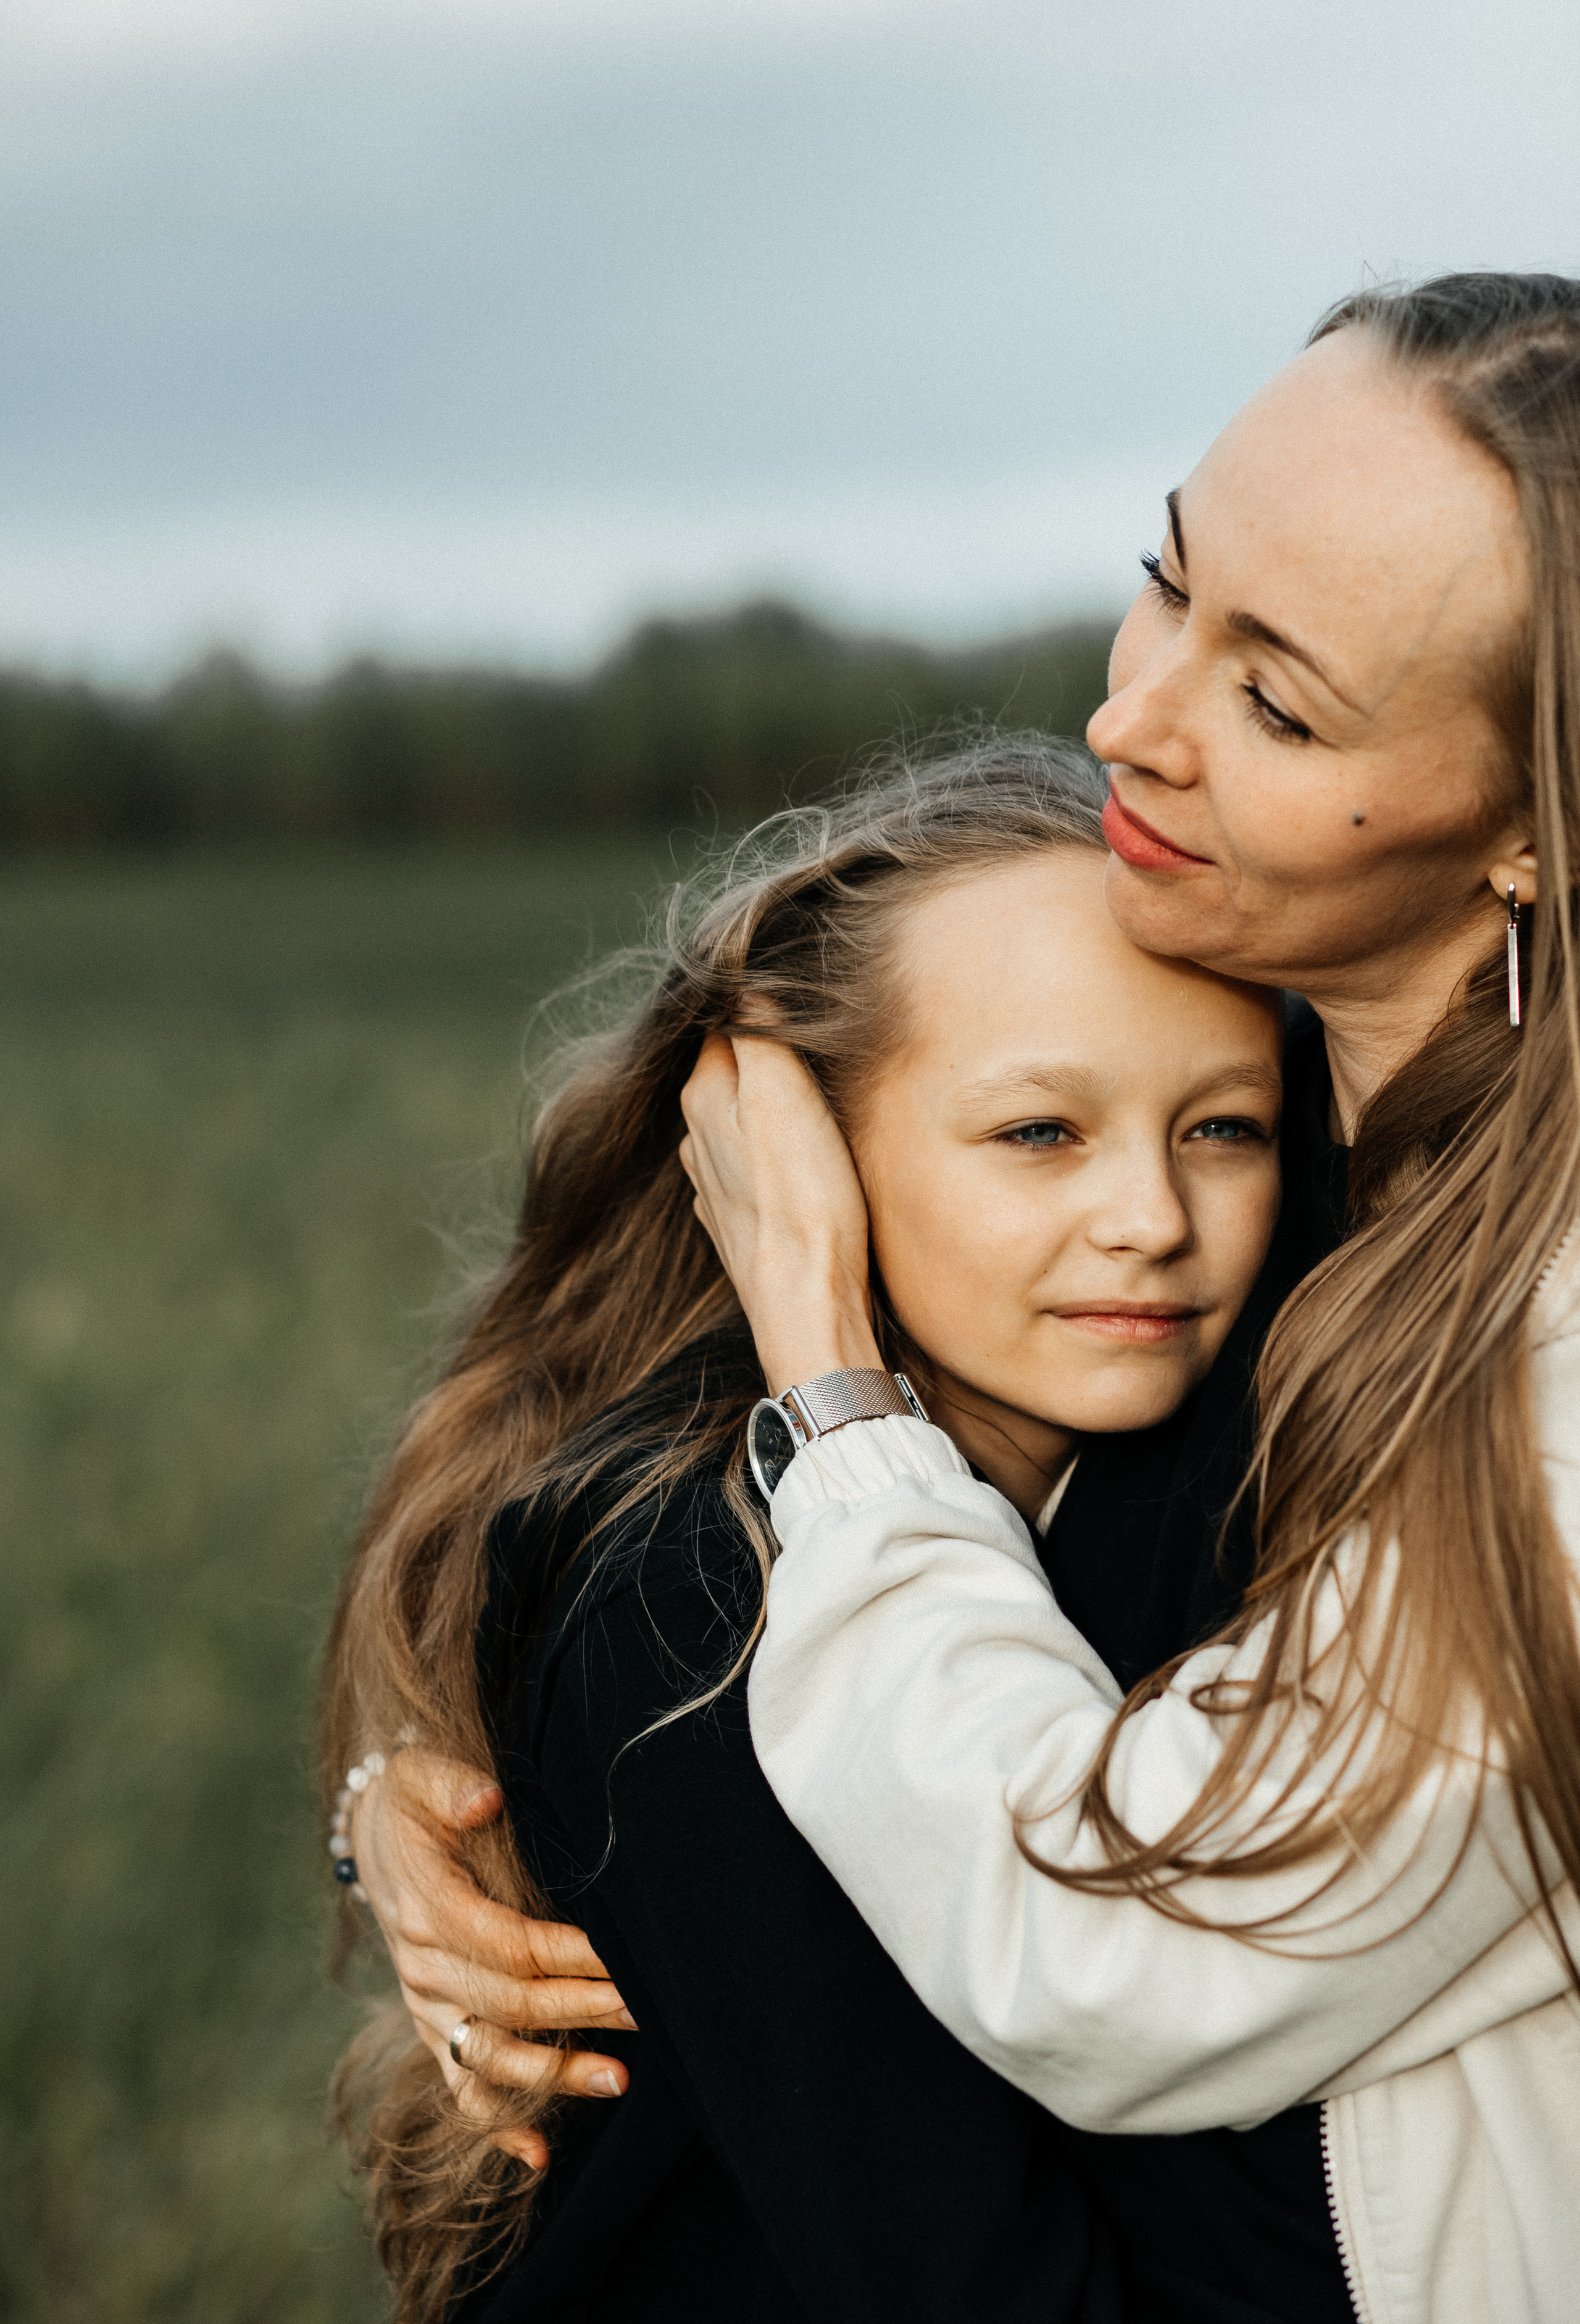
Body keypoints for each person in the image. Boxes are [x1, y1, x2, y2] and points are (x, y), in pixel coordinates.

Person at [673, 273, 1580, 2324]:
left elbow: (1110, 1950)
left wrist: (834, 1405)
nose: (1129, 721)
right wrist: (457, 1778)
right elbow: (599, 1517)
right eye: (1167, 583)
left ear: (1533, 828)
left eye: (1279, 707)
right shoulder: (1239, 1101)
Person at [320, 734, 1342, 2322]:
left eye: (1223, 1128)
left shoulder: (1227, 1441)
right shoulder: (684, 1584)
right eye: (1037, 1133)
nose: (1150, 1218)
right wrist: (396, 1796)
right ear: (793, 1149)